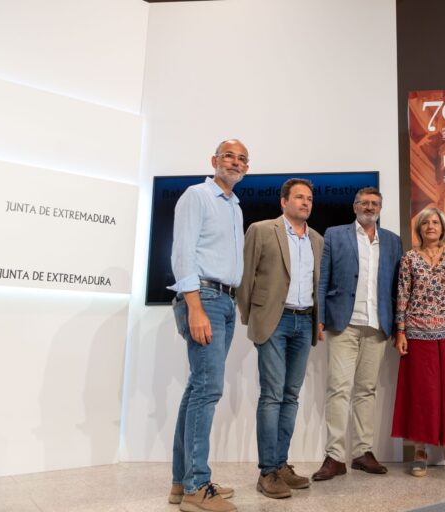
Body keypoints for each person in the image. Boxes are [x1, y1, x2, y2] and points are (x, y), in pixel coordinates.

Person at [168, 139, 249, 512]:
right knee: (208, 390)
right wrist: (195, 307)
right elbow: (183, 252)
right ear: (214, 160)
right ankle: (197, 488)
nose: (235, 162)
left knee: (197, 389)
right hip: (205, 299)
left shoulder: (234, 206)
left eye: (242, 159)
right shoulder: (196, 195)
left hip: (225, 300)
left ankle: (182, 482)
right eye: (229, 156)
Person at [237, 178, 324, 499]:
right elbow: (245, 276)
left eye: (310, 198)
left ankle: (281, 464)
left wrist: (318, 320)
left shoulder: (317, 239)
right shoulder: (261, 230)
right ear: (283, 202)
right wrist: (252, 317)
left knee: (291, 396)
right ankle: (267, 472)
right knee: (272, 395)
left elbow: (318, 284)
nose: (306, 202)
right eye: (299, 197)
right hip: (274, 321)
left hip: (304, 322)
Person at [311, 187, 403, 481]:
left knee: (367, 390)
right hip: (343, 323)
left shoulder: (392, 241)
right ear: (354, 207)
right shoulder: (336, 235)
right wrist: (320, 318)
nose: (369, 206)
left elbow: (396, 289)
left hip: (377, 325)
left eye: (375, 203)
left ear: (380, 208)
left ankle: (363, 452)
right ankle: (335, 456)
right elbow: (323, 278)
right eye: (364, 202)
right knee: (339, 388)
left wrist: (398, 326)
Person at [391, 207, 445, 477]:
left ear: (442, 228)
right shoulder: (409, 259)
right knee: (421, 392)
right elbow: (402, 295)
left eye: (435, 222)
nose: (430, 226)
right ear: (419, 229)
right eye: (425, 222)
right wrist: (401, 331)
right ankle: (420, 450)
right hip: (417, 331)